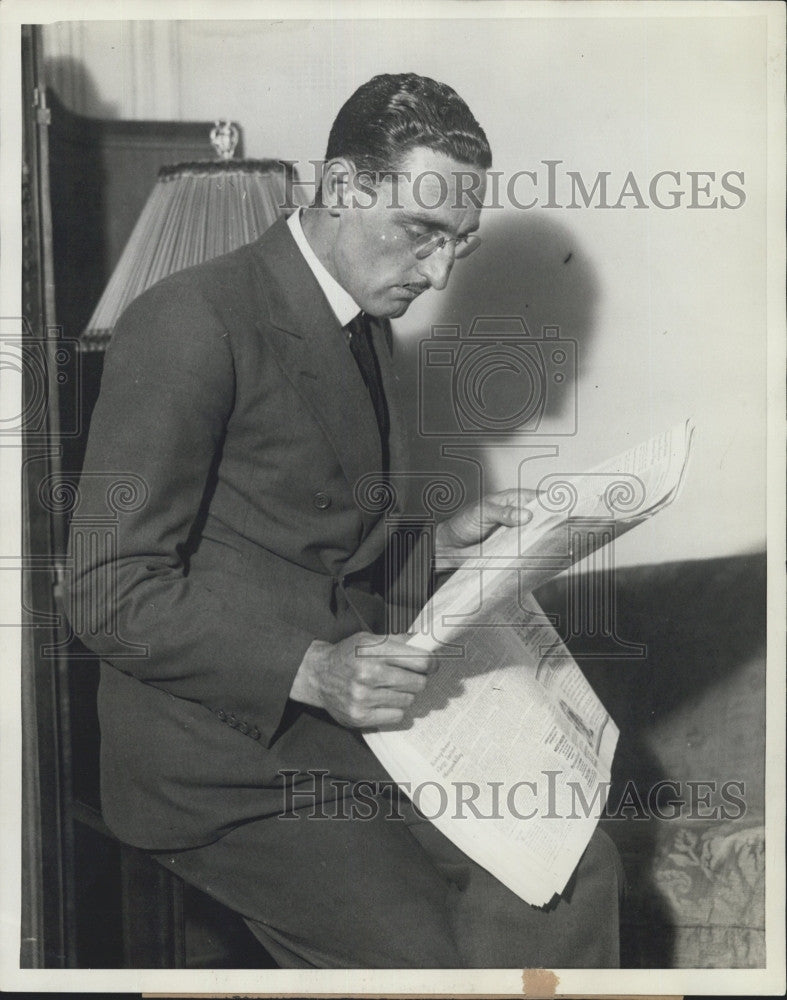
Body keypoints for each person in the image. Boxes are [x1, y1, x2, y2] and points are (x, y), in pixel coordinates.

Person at [65, 72, 622, 969]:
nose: (437, 274)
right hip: (222, 759)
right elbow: (104, 588)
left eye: (459, 244)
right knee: (432, 962)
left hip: (341, 729)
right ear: (340, 187)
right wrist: (312, 668)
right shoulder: (188, 319)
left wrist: (436, 548)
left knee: (573, 868)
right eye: (421, 232)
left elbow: (302, 547)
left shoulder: (364, 322)